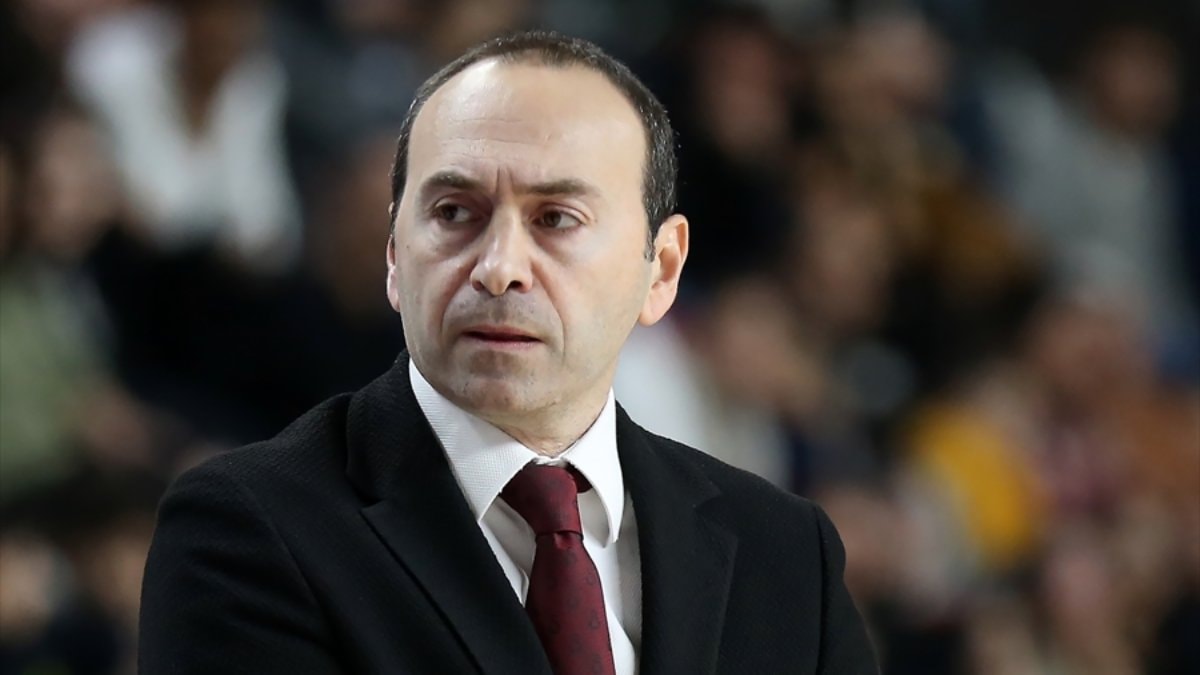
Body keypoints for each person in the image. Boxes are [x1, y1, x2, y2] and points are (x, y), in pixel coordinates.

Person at [138, 30, 878, 674]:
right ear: (394, 254)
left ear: (661, 270)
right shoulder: (248, 530)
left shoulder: (787, 553)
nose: (498, 267)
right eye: (454, 212)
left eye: (556, 218)